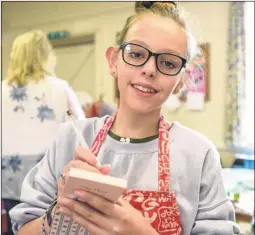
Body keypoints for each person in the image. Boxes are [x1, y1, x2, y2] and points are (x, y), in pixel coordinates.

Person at [10, 2, 240, 235]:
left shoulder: (198, 155)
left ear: (182, 79)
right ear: (113, 61)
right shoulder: (70, 140)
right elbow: (23, 230)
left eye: (168, 63)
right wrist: (60, 211)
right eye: (137, 54)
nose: (150, 69)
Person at [1, 30, 85, 235]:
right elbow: (81, 128)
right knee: (48, 226)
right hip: (47, 172)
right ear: (45, 56)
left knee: (15, 227)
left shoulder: (2, 90)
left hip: (9, 172)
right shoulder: (59, 88)